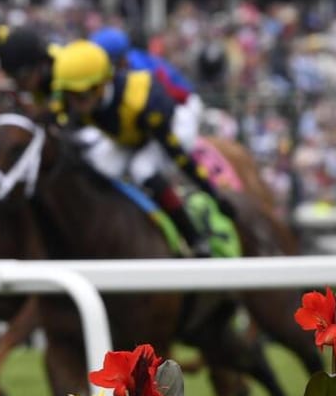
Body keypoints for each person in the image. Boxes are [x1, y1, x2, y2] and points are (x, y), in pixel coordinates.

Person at [51, 39, 228, 258]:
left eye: (81, 95)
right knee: (100, 166)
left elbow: (179, 156)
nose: (74, 104)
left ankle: (193, 238)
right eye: (69, 95)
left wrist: (213, 192)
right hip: (129, 134)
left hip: (172, 126)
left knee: (141, 168)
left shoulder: (141, 102)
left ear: (102, 84)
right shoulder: (74, 101)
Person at [90, 26, 205, 155]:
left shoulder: (136, 70)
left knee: (147, 164)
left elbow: (166, 102)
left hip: (185, 106)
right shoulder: (125, 64)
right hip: (170, 108)